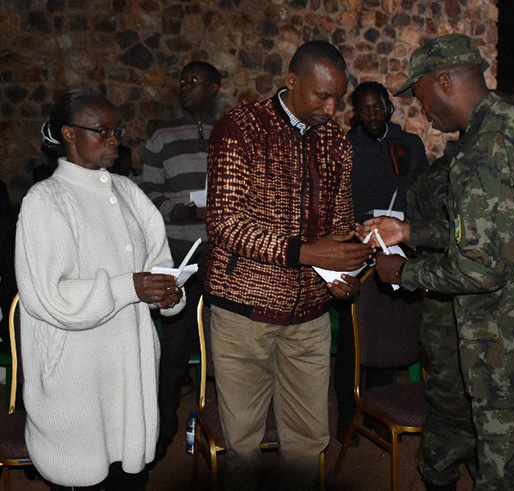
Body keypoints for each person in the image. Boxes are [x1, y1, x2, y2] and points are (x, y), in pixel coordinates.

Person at [363, 33, 514, 489]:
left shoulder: (485, 150)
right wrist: (411, 231)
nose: (423, 109)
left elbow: (482, 266)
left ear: (446, 81)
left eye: (421, 96)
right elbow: (496, 232)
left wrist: (405, 271)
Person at [204, 40, 373, 490]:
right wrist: (307, 253)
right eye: (322, 96)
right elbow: (225, 225)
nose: (332, 107)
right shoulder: (240, 128)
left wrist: (345, 276)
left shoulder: (335, 142)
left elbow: (339, 227)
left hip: (311, 317)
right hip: (243, 312)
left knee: (308, 440)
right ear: (291, 82)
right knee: (242, 442)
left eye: (338, 96)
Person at [14, 88, 185, 490]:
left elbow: (157, 265)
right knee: (84, 474)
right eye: (101, 131)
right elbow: (49, 297)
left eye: (116, 131)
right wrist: (131, 287)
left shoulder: (128, 194)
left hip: (128, 368)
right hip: (77, 375)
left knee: (126, 475)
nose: (114, 140)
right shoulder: (46, 200)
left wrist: (168, 292)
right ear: (69, 134)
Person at [334, 81, 428, 443]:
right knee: (354, 338)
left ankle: (377, 410)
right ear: (354, 113)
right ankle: (347, 414)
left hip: (398, 249)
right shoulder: (345, 147)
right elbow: (335, 198)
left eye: (379, 107)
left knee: (388, 330)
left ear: (390, 108)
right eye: (365, 109)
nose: (373, 115)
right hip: (358, 249)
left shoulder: (408, 144)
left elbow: (422, 192)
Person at [140, 61, 221, 461]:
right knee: (173, 350)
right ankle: (160, 433)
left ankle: (225, 428)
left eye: (194, 81)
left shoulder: (234, 132)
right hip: (179, 252)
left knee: (227, 345)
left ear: (215, 88)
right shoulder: (161, 136)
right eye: (182, 79)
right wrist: (186, 213)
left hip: (227, 253)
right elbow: (148, 192)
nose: (185, 86)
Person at [403, 142, 478, 490]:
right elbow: (454, 247)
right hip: (448, 313)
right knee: (451, 407)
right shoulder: (445, 177)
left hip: (476, 315)